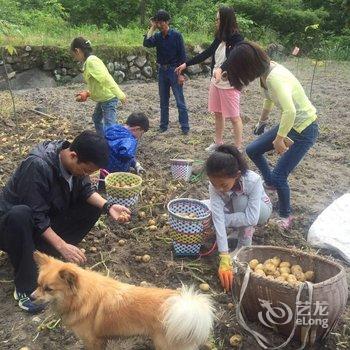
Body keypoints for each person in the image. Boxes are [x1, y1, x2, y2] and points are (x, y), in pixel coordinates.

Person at [0, 131, 131, 313]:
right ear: (73, 156)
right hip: (13, 230)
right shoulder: (37, 165)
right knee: (20, 213)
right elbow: (36, 215)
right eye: (86, 170)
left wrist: (108, 207)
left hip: (44, 222)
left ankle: (44, 254)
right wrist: (62, 246)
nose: (86, 175)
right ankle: (25, 286)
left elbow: (85, 190)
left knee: (94, 205)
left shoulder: (73, 162)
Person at [224, 41, 319, 230]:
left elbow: (290, 111)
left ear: (248, 66)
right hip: (291, 123)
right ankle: (270, 182)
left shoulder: (275, 77)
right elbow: (269, 100)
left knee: (280, 175)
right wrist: (262, 122)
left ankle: (285, 215)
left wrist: (279, 138)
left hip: (304, 128)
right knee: (253, 149)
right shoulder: (264, 75)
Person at [203, 145, 272, 291]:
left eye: (223, 184)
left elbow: (252, 218)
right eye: (215, 185)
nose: (219, 188)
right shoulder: (214, 185)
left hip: (262, 211)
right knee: (210, 207)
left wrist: (221, 219)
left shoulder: (253, 181)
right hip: (236, 208)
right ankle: (235, 232)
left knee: (240, 201)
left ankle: (244, 247)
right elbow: (217, 211)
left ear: (237, 175)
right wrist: (224, 255)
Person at [175, 6, 243, 151]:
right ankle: (218, 142)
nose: (216, 22)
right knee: (218, 113)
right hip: (215, 82)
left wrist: (221, 69)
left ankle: (238, 148)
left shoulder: (237, 39)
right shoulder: (220, 37)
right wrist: (186, 64)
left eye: (218, 19)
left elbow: (233, 58)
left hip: (229, 84)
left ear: (225, 20)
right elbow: (206, 53)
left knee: (234, 117)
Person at [143, 10, 190, 135]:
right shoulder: (157, 36)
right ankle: (163, 125)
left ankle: (185, 127)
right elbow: (146, 43)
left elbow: (182, 56)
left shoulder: (177, 35)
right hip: (162, 71)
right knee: (163, 100)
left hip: (175, 70)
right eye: (157, 23)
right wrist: (152, 28)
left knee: (179, 100)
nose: (159, 25)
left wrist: (181, 74)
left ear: (167, 22)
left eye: (161, 22)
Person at [71, 37, 127, 134]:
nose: (74, 58)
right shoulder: (89, 62)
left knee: (110, 126)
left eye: (74, 55)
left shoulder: (92, 62)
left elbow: (106, 79)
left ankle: (110, 145)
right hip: (102, 98)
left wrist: (120, 95)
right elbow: (96, 83)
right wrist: (87, 93)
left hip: (108, 99)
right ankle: (102, 140)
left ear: (77, 51)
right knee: (96, 119)